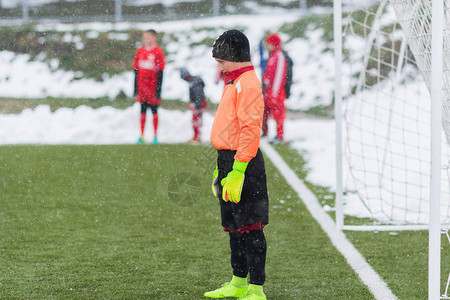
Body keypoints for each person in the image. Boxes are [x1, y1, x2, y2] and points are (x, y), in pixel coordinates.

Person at [205, 29, 269, 300]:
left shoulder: (248, 83)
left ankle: (255, 289)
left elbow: (250, 130)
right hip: (228, 160)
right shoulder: (233, 82)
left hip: (245, 163)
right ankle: (238, 282)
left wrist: (239, 169)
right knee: (234, 228)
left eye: (221, 62)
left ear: (235, 57)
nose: (218, 67)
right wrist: (222, 169)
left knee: (251, 227)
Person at [132, 29, 165, 144]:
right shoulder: (140, 52)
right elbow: (135, 71)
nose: (146, 39)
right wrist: (135, 88)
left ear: (154, 38)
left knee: (154, 111)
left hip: (153, 86)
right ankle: (141, 136)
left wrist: (158, 91)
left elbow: (161, 73)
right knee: (142, 110)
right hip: (142, 87)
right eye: (144, 37)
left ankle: (155, 136)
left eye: (148, 37)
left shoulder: (158, 52)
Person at [261, 33, 287, 144]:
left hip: (276, 91)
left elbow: (279, 75)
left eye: (269, 43)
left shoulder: (279, 56)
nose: (267, 46)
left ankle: (279, 136)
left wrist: (275, 91)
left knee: (278, 113)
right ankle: (265, 133)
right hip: (268, 90)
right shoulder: (272, 55)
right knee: (264, 112)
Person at [179, 68, 207, 144]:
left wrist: (197, 107)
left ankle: (197, 137)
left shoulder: (194, 82)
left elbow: (198, 95)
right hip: (198, 103)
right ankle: (196, 136)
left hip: (199, 103)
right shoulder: (193, 81)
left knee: (196, 120)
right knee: (195, 120)